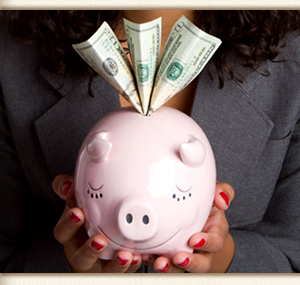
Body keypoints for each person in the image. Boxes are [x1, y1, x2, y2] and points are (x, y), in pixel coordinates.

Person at [0, 10, 299, 273]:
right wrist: (67, 266)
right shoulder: (11, 56)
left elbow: (293, 256)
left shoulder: (291, 59)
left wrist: (221, 262)